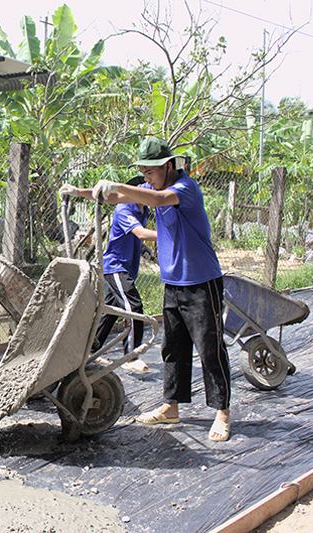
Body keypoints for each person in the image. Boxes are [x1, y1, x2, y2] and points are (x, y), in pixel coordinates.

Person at [74, 137, 231, 442]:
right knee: (173, 347)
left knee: (210, 349)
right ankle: (171, 407)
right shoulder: (151, 189)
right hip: (172, 283)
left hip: (201, 281)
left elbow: (157, 201)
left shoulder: (184, 190)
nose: (146, 178)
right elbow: (117, 196)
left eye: (150, 172)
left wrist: (115, 184)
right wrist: (82, 192)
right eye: (143, 173)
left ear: (168, 166)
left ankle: (222, 412)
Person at [59, 174, 158, 373]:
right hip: (115, 267)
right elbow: (141, 233)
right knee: (133, 307)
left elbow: (133, 238)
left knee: (109, 314)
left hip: (127, 266)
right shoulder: (124, 209)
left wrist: (144, 251)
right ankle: (132, 356)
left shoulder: (144, 209)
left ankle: (89, 351)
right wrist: (175, 235)